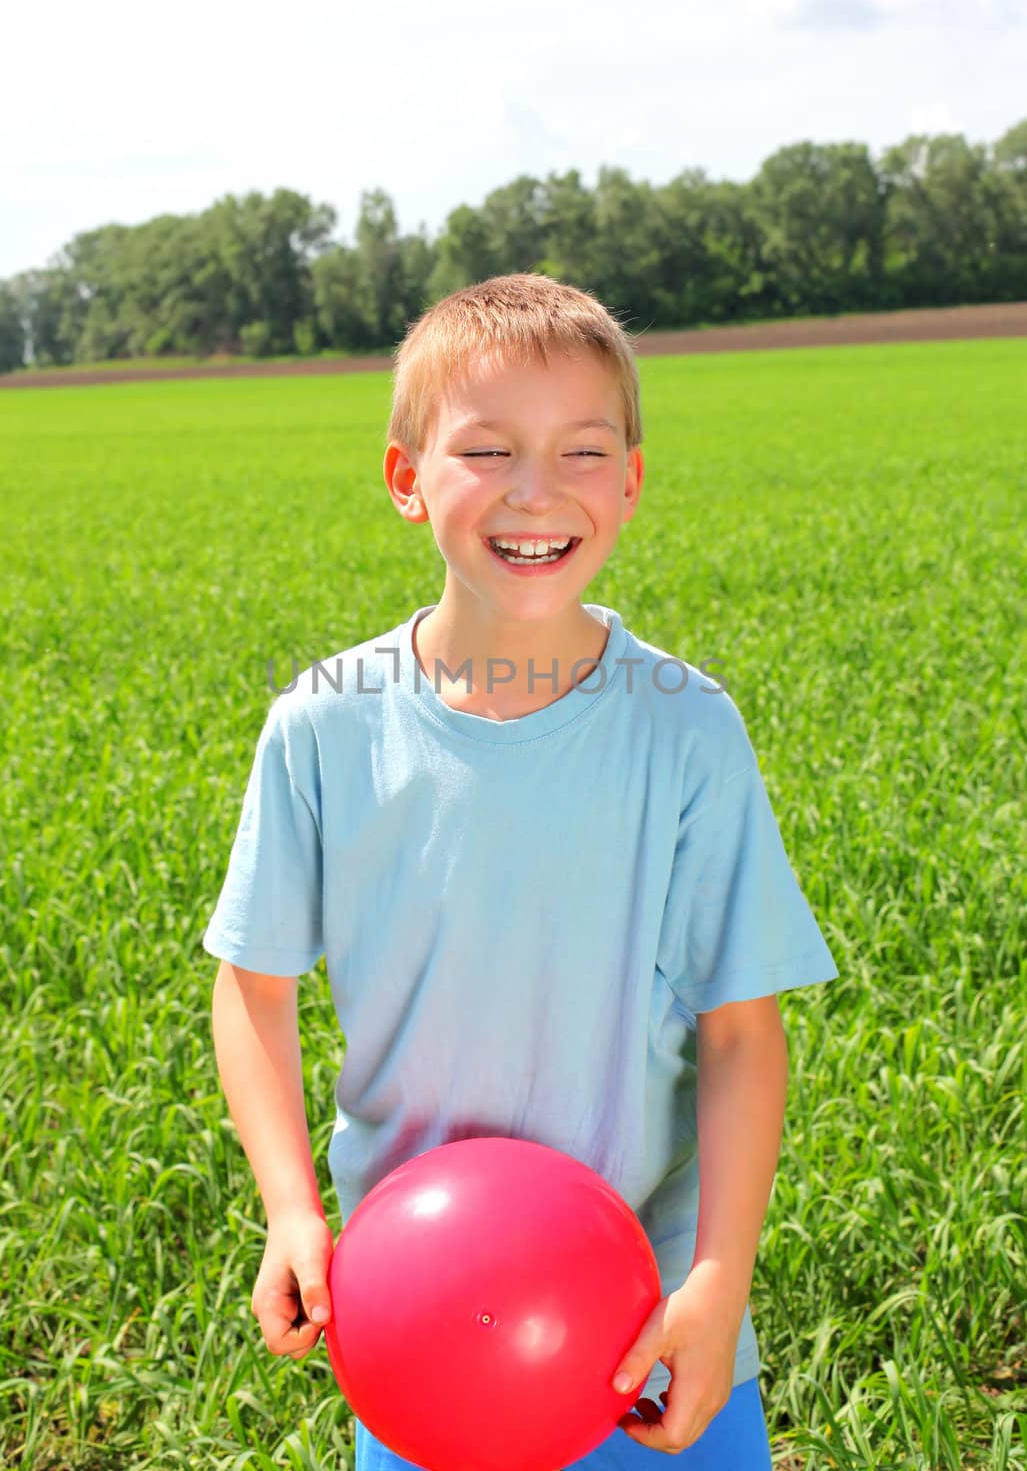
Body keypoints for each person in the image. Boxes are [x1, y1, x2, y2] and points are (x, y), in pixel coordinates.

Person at [203, 273, 838, 1469]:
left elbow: (741, 1034)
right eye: (486, 450)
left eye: (580, 451)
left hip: (649, 1336)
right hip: (424, 1328)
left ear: (631, 480)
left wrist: (716, 1280)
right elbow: (253, 986)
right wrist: (293, 1209)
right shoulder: (325, 726)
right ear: (406, 478)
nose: (535, 492)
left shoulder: (685, 729)